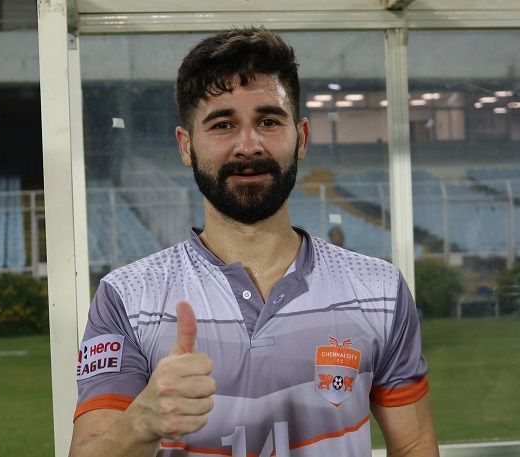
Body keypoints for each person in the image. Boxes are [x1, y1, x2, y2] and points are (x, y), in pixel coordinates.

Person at [70, 27, 439, 457]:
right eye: (223, 124)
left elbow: (414, 444)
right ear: (186, 146)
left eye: (267, 121)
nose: (248, 145)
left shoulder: (380, 290)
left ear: (301, 137)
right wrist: (142, 421)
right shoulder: (127, 299)